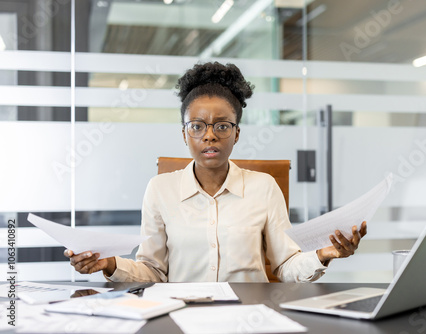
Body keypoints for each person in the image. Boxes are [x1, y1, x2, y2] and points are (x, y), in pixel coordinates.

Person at [64, 62, 367, 282]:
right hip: (182, 316)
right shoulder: (159, 190)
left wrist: (323, 254)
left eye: (222, 126)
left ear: (236, 134)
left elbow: (285, 266)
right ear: (185, 134)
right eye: (197, 126)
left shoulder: (264, 187)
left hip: (249, 317)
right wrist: (109, 264)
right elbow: (153, 272)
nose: (209, 136)